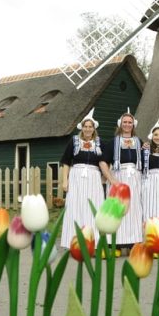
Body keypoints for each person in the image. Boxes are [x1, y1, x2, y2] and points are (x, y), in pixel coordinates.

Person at [60, 108, 108, 248]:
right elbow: (66, 162)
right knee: (75, 207)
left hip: (94, 178)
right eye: (85, 126)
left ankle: (93, 242)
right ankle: (74, 242)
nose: (88, 129)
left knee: (93, 207)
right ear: (82, 128)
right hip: (76, 178)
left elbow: (107, 162)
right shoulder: (74, 141)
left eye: (90, 127)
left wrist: (104, 178)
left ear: (94, 128)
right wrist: (65, 180)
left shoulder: (100, 143)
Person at [100, 109, 144, 254]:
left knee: (134, 209)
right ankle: (116, 244)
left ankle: (133, 242)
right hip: (119, 177)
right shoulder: (113, 142)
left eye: (129, 122)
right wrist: (111, 179)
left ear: (133, 125)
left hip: (135, 179)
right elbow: (103, 162)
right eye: (125, 122)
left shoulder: (139, 142)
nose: (127, 124)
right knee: (118, 210)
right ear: (120, 124)